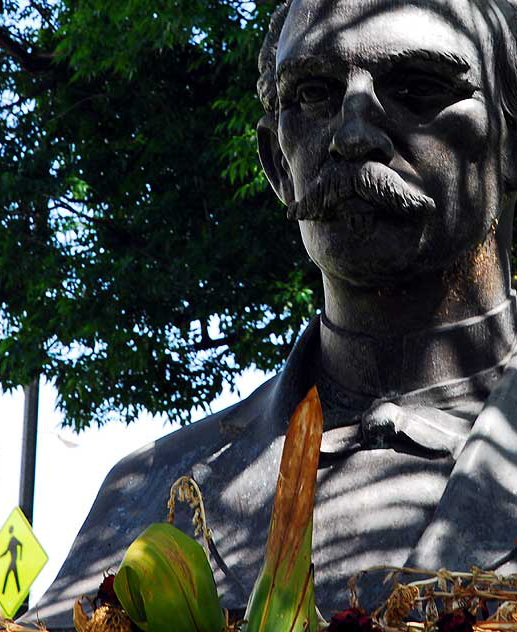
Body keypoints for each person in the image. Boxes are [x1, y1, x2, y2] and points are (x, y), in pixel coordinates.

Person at [26, 0, 517, 627]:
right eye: (312, 93)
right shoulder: (150, 497)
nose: (352, 135)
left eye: (419, 88)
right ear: (275, 162)